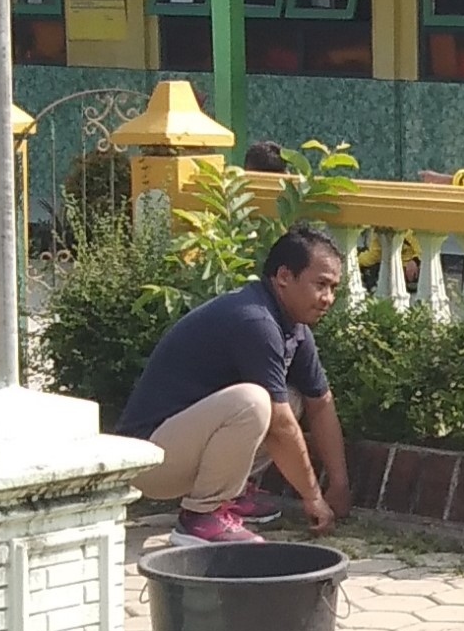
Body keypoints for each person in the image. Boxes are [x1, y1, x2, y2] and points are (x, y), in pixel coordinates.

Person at [112, 228, 356, 547]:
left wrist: (338, 484)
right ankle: (201, 517)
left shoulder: (292, 326)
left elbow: (320, 402)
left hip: (180, 449)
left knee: (292, 398)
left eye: (333, 288)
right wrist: (314, 499)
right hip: (149, 462)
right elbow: (281, 427)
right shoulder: (255, 321)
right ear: (284, 276)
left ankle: (232, 494)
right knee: (255, 401)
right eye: (320, 285)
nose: (328, 299)